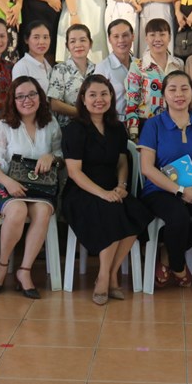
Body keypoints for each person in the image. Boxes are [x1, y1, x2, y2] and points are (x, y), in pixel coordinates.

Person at [64, 75, 152, 304]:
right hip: (81, 192)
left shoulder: (117, 128)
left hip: (112, 187)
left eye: (104, 94)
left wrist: (122, 185)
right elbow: (74, 172)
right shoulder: (75, 129)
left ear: (112, 97)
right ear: (83, 99)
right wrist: (103, 194)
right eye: (92, 95)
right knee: (111, 211)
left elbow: (122, 162)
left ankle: (112, 273)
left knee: (138, 211)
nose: (99, 99)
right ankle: (104, 277)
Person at [0, 76, 64, 298]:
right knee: (17, 210)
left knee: (42, 211)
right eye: (20, 96)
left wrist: (51, 157)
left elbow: (60, 155)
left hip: (40, 188)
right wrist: (9, 182)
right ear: (13, 100)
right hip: (6, 185)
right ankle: (2, 265)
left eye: (32, 94)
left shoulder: (51, 124)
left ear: (40, 97)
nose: (27, 100)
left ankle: (24, 270)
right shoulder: (2, 126)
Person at [139, 70, 192, 287]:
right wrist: (180, 191)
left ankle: (167, 253)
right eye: (172, 89)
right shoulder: (153, 125)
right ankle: (178, 266)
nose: (179, 94)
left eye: (184, 89)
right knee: (179, 217)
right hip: (160, 190)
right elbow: (147, 168)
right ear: (164, 95)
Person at [125, 18, 184, 140]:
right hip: (146, 124)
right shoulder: (137, 66)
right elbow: (132, 100)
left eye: (162, 34)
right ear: (146, 38)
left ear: (169, 37)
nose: (157, 39)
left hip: (174, 124)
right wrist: (133, 132)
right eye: (152, 35)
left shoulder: (178, 64)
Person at [48, 24, 94, 128]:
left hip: (95, 125)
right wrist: (84, 114)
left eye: (83, 40)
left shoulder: (97, 69)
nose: (78, 45)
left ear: (90, 43)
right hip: (69, 127)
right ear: (67, 46)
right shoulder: (60, 69)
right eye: (73, 41)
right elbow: (55, 104)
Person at [95, 19, 136, 115]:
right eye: (116, 36)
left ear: (133, 37)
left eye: (125, 35)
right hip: (114, 121)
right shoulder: (102, 68)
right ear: (109, 39)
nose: (121, 40)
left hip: (140, 120)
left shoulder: (139, 65)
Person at [11, 21, 53, 91]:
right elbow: (20, 94)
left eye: (45, 37)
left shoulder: (49, 66)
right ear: (26, 40)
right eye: (36, 37)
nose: (41, 42)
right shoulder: (21, 67)